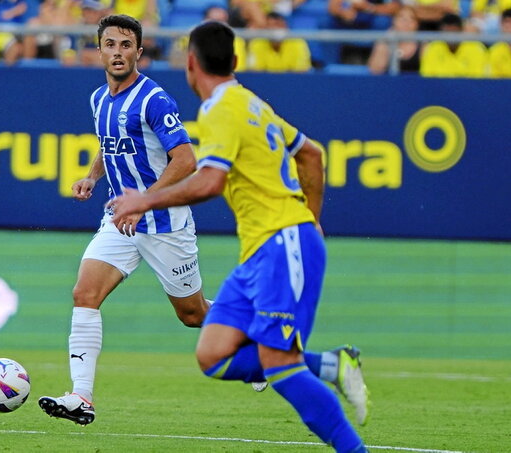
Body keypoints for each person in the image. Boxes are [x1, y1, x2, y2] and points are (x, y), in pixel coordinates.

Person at [109, 20, 369, 451]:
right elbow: (311, 153)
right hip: (264, 250)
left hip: (282, 242)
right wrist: (313, 218)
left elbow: (210, 181)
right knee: (213, 354)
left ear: (190, 64)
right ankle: (331, 364)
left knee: (280, 367)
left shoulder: (218, 110)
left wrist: (144, 201)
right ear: (233, 62)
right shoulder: (250, 103)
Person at [37, 14, 213, 426]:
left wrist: (144, 201)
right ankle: (81, 396)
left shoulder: (154, 99)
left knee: (193, 315)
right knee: (85, 293)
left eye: (125, 45)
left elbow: (185, 159)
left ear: (139, 51)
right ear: (99, 50)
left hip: (163, 223)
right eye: (110, 45)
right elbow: (110, 145)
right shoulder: (99, 98)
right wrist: (92, 176)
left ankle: (253, 335)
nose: (118, 53)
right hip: (119, 220)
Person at [420, 13, 489, 78]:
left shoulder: (476, 49)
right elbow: (427, 78)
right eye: (447, 32)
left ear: (461, 31)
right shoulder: (433, 48)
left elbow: (480, 81)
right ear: (441, 32)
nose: (451, 37)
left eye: (454, 32)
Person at [246, 11, 312, 72]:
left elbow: (301, 74)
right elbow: (255, 74)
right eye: (270, 25)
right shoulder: (257, 44)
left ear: (285, 27)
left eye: (277, 25)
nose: (274, 29)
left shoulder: (298, 42)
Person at [368, 5, 421, 74]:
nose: (406, 22)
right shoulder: (384, 42)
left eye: (412, 19)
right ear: (394, 21)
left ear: (417, 24)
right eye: (401, 18)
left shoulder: (423, 46)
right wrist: (384, 42)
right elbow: (375, 71)